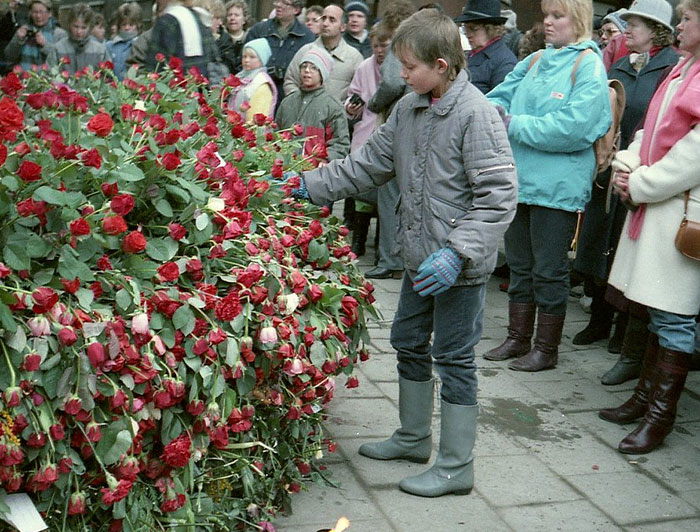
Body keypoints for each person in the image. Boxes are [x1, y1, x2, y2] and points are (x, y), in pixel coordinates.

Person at [285, 10, 516, 497]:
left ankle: (456, 466)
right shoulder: (410, 109)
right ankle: (413, 437)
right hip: (419, 259)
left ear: (441, 64)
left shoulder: (476, 113)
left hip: (458, 269)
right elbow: (365, 166)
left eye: (409, 67)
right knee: (409, 341)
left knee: (453, 358)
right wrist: (307, 186)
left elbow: (498, 196)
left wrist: (458, 253)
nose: (402, 76)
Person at [484, 0, 612, 372]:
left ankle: (546, 348)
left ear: (579, 21)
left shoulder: (588, 65)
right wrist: (492, 112)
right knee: (520, 266)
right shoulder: (536, 60)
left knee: (550, 270)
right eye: (547, 15)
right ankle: (518, 338)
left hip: (558, 189)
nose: (548, 22)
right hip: (519, 181)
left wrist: (514, 124)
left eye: (558, 15)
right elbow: (496, 100)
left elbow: (575, 128)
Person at [597, 0, 700, 455]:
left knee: (675, 317)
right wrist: (627, 163)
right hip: (659, 204)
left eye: (689, 19)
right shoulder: (683, 69)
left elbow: (693, 155)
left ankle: (660, 416)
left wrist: (638, 183)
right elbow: (650, 130)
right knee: (658, 311)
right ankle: (643, 399)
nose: (680, 26)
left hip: (680, 210)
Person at [574, 0, 678, 384]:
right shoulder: (619, 63)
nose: (627, 28)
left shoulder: (669, 67)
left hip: (643, 173)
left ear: (656, 29)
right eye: (628, 23)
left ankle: (622, 330)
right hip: (611, 167)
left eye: (635, 23)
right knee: (599, 243)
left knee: (625, 251)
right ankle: (599, 320)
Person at [362, 0, 415, 279]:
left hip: (399, 122)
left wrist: (373, 103)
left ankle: (390, 259)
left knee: (389, 192)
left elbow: (393, 82)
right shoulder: (419, 43)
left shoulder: (400, 43)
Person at [344, 21, 392, 256]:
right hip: (366, 130)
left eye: (384, 46)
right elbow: (353, 93)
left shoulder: (399, 66)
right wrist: (351, 106)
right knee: (362, 187)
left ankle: (382, 246)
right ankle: (358, 241)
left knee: (386, 192)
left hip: (388, 133)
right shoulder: (364, 67)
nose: (379, 51)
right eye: (375, 46)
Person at [275, 47, 350, 167]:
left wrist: (327, 159)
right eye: (304, 66)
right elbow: (276, 134)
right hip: (285, 173)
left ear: (322, 73)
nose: (307, 71)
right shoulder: (287, 102)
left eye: (314, 67)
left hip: (314, 174)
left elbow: (340, 143)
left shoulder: (332, 106)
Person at [284, 4, 363, 103]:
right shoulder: (306, 51)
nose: (325, 23)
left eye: (332, 20)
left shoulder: (354, 57)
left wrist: (344, 110)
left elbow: (359, 91)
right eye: (323, 18)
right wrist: (301, 104)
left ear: (343, 27)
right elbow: (290, 81)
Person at [244, 0, 315, 98]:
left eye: (285, 3)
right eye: (277, 1)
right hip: (257, 92)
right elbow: (243, 62)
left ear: (296, 9)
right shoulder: (259, 30)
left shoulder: (306, 37)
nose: (278, 5)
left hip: (288, 97)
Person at [455, 0, 518, 94]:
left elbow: (500, 102)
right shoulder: (470, 54)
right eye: (465, 28)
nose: (468, 34)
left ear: (491, 29)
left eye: (473, 29)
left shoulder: (505, 62)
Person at [146, 0, 218, 78]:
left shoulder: (167, 22)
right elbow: (214, 57)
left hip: (176, 86)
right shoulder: (197, 17)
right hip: (201, 84)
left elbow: (156, 68)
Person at [47, 3, 111, 74]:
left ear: (90, 27)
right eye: (76, 26)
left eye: (83, 28)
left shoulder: (100, 50)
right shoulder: (58, 49)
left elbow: (107, 77)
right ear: (69, 24)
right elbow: (50, 74)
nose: (79, 31)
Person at [4, 0, 66, 71]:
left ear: (49, 13)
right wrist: (18, 40)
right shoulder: (23, 30)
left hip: (47, 79)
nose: (38, 16)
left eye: (41, 12)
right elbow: (8, 57)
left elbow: (64, 60)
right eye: (35, 12)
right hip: (24, 77)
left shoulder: (59, 33)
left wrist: (45, 45)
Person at [229, 38, 277, 122]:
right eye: (244, 56)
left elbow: (257, 117)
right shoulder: (240, 76)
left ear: (261, 60)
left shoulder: (262, 83)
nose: (246, 60)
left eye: (252, 57)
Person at [106, 2, 141, 80]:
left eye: (131, 25)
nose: (127, 28)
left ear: (137, 25)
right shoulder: (110, 46)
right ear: (119, 26)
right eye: (124, 24)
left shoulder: (141, 45)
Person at [224, 0, 251, 74]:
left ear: (244, 19)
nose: (232, 18)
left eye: (236, 15)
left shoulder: (250, 39)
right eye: (230, 15)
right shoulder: (220, 40)